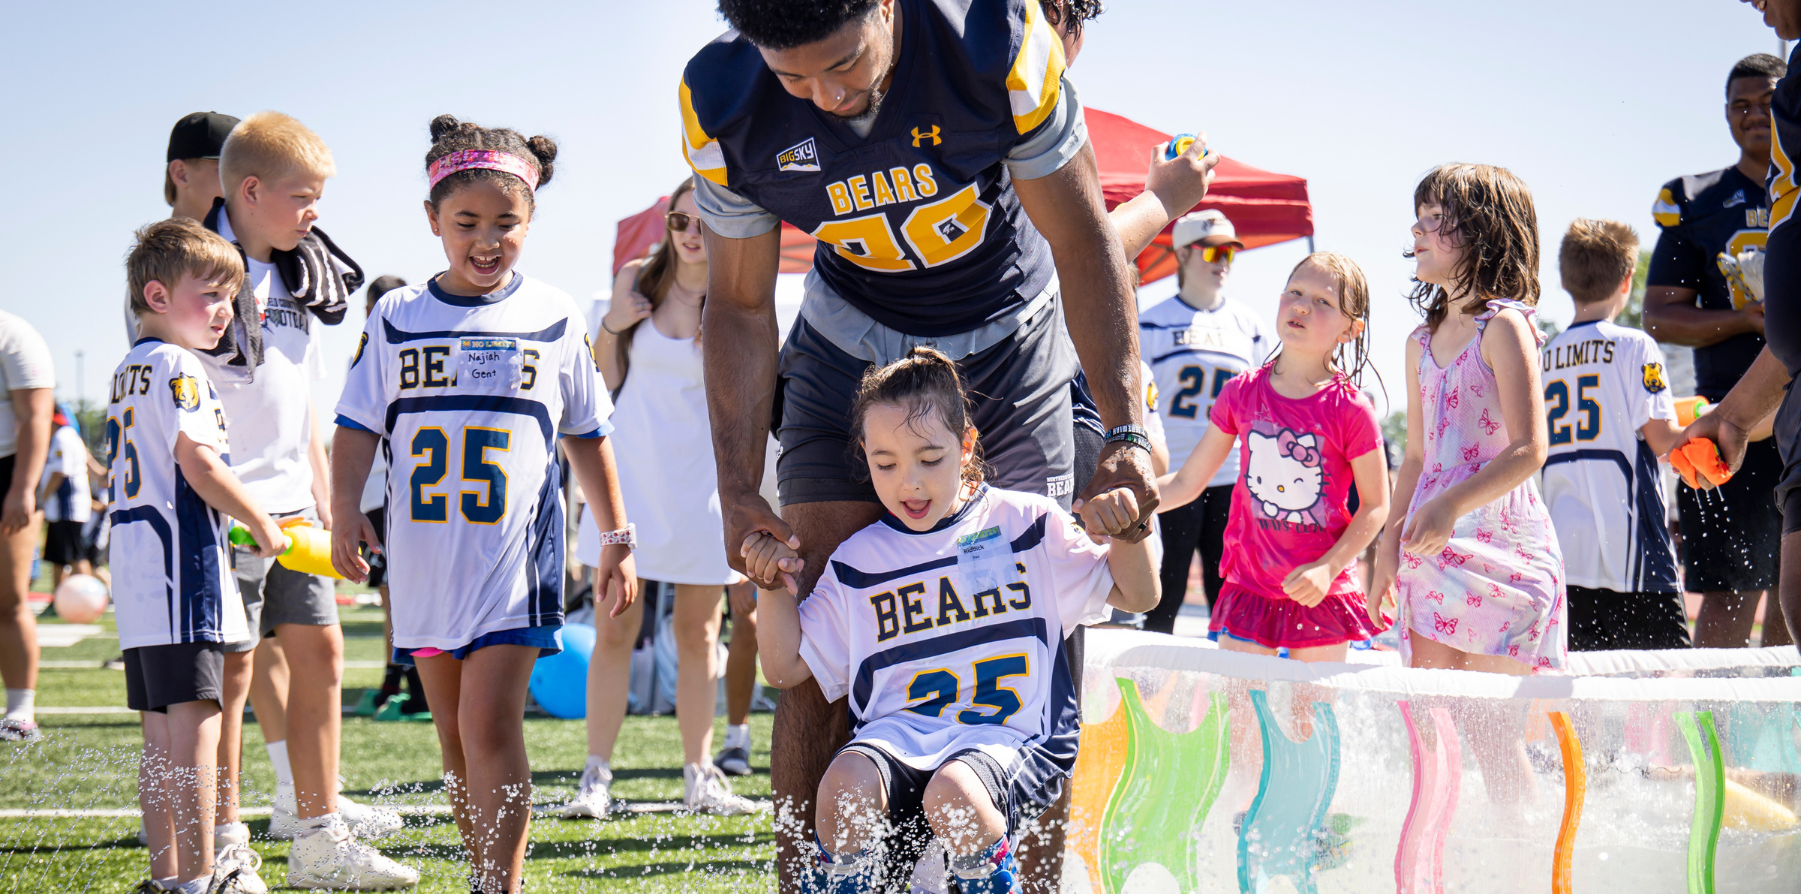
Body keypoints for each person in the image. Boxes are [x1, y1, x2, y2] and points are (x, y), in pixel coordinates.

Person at [686, 1, 1186, 885]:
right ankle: (813, 880)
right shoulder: (718, 96)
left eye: (843, 63)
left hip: (1007, 330)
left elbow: (1081, 241)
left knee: (1039, 622)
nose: (825, 95)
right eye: (793, 77)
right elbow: (734, 303)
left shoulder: (995, 41)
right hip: (847, 336)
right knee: (809, 622)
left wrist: (1123, 429)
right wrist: (735, 485)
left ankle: (1016, 879)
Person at [331, 114, 636, 894]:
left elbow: (589, 434)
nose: (486, 239)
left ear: (530, 222)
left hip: (514, 563)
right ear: (432, 219)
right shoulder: (396, 319)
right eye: (466, 222)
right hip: (425, 566)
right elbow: (356, 428)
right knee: (453, 741)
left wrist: (616, 537)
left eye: (506, 223)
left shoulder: (556, 315)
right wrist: (341, 511)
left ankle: (500, 885)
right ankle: (483, 874)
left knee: (488, 723)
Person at [746, 347, 1159, 893]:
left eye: (929, 458)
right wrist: (770, 587)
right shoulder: (858, 560)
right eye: (886, 463)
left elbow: (1139, 593)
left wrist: (1129, 534)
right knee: (842, 788)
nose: (909, 483)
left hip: (1011, 737)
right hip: (897, 739)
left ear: (965, 448)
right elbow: (783, 668)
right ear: (864, 454)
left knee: (956, 793)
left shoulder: (1024, 523)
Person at [196, 111, 406, 883]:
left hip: (292, 507)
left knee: (320, 650)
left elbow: (303, 403)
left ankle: (317, 836)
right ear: (251, 190)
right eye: (302, 197)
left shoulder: (297, 268)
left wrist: (328, 503)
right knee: (234, 677)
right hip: (221, 511)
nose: (314, 213)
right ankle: (220, 847)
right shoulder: (197, 268)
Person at [563, 180, 755, 818]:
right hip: (631, 484)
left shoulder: (739, 293)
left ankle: (700, 775)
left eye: (704, 221)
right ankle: (595, 776)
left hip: (704, 485)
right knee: (614, 630)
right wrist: (615, 324)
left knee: (700, 634)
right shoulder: (636, 283)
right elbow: (600, 385)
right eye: (679, 219)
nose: (691, 232)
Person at [110, 218, 286, 894]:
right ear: (157, 296)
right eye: (211, 295)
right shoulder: (180, 366)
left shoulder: (129, 366)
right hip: (183, 575)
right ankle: (201, 878)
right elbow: (200, 465)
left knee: (159, 736)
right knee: (198, 729)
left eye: (232, 297)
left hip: (139, 574)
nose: (225, 312)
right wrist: (260, 521)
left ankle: (166, 876)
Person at [1372, 163, 1566, 674]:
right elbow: (1415, 457)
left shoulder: (1503, 328)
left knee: (1495, 738)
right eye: (1417, 217)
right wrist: (1387, 549)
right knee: (1429, 723)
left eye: (1434, 217)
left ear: (1483, 233)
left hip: (1505, 555)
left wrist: (1449, 505)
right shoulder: (1418, 343)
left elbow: (1529, 449)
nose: (1417, 229)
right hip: (1429, 550)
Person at [1149, 253, 1388, 660]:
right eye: (1295, 292)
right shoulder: (1241, 393)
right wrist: (1130, 506)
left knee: (1310, 719)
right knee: (1239, 716)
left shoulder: (1350, 408)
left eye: (1322, 302)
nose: (1301, 306)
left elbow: (1376, 506)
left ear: (1351, 329)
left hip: (1321, 591)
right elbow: (1189, 483)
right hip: (1249, 589)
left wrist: (1328, 569)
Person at [1643, 53, 1792, 649]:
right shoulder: (1696, 198)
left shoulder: (1799, 190)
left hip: (1799, 411)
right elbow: (1659, 313)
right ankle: (1710, 735)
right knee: (1730, 592)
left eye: (1768, 102)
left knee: (1796, 584)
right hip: (1729, 419)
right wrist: (1744, 317)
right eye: (1742, 105)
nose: (1755, 115)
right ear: (1726, 116)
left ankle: (1784, 738)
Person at [1542, 220, 1691, 651]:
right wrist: (1714, 420)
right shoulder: (1635, 346)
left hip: (1566, 554)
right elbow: (1662, 439)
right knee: (1669, 679)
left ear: (1566, 280)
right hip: (1630, 547)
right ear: (1628, 281)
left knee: (1585, 693)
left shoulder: (1544, 356)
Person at [1137, 210, 1271, 634]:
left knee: (1229, 602)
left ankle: (1224, 702)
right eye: (1213, 250)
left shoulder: (1249, 325)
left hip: (1233, 478)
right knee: (1163, 599)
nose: (1223, 261)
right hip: (1173, 476)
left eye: (1230, 252)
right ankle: (1147, 699)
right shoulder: (1151, 321)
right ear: (1181, 253)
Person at [345, 275, 430, 723]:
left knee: (405, 593)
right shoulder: (367, 354)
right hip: (381, 497)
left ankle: (413, 685)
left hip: (405, 496)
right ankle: (398, 681)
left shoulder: (410, 350)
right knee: (390, 594)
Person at [129, 112, 241, 345]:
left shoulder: (246, 255)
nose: (243, 185)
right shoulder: (154, 260)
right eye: (228, 172)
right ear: (180, 173)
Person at [0, 310, 52, 742]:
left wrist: (22, 488)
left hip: (7, 474)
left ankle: (20, 713)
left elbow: (36, 416)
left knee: (10, 599)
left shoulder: (13, 333)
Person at [37, 406, 95, 588]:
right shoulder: (61, 437)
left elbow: (59, 472)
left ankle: (88, 597)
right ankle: (58, 599)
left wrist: (40, 499)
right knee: (58, 557)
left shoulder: (63, 437)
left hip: (68, 508)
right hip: (59, 509)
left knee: (76, 555)